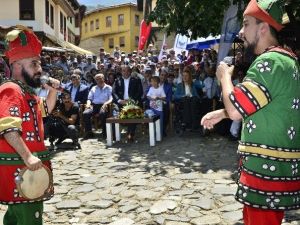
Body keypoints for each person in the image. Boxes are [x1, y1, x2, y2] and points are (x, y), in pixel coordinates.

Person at [201, 1, 300, 225]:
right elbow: (265, 106)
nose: (241, 32)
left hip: (265, 174)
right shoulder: (286, 60)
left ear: (263, 27)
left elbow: (236, 110)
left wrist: (224, 76)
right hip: (274, 171)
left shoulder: (269, 61)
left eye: (246, 24)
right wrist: (223, 113)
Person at [0, 26, 59, 225]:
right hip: (22, 169)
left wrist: (52, 91)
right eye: (34, 64)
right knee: (28, 218)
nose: (39, 69)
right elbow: (9, 129)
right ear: (16, 64)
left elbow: (44, 111)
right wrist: (28, 155)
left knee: (16, 218)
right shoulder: (11, 90)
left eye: (39, 64)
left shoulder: (26, 92)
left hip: (25, 168)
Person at [112, 65, 143, 141]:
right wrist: (119, 100)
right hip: (121, 103)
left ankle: (130, 133)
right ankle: (114, 134)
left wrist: (131, 100)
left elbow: (140, 92)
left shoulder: (136, 79)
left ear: (130, 71)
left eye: (127, 71)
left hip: (133, 102)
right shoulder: (117, 80)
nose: (126, 72)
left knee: (132, 113)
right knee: (114, 114)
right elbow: (114, 92)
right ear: (121, 72)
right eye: (123, 71)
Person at [83, 73, 113, 139]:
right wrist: (88, 104)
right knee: (85, 113)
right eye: (97, 79)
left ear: (103, 78)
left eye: (100, 78)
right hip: (94, 105)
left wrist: (105, 104)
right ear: (95, 80)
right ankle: (89, 132)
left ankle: (104, 133)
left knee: (102, 113)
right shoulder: (93, 88)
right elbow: (89, 99)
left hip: (104, 105)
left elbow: (111, 98)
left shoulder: (109, 87)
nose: (99, 80)